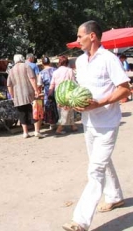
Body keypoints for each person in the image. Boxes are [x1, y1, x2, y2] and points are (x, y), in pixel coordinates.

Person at [62, 20, 130, 231]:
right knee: (101, 162)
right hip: (88, 122)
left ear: (92, 36)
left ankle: (80, 221)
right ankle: (115, 196)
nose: (77, 40)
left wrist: (100, 103)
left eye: (80, 36)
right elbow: (79, 89)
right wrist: (70, 100)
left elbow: (125, 89)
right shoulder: (80, 62)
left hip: (107, 122)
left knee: (95, 169)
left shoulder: (109, 59)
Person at [7, 54, 45, 138]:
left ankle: (25, 133)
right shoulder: (26, 66)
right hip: (29, 93)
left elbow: (9, 85)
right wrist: (36, 90)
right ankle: (36, 131)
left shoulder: (11, 70)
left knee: (22, 113)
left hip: (18, 95)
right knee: (33, 111)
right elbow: (32, 78)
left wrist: (12, 95)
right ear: (22, 59)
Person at [48, 55, 78, 135]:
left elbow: (52, 84)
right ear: (67, 62)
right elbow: (73, 82)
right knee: (67, 109)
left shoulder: (55, 72)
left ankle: (73, 125)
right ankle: (60, 128)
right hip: (68, 92)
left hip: (58, 93)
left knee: (62, 110)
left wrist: (49, 93)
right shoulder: (70, 70)